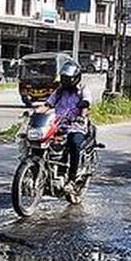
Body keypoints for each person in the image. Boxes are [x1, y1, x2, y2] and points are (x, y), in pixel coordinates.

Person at [38, 61, 91, 193]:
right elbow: (48, 105)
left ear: (76, 77)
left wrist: (82, 114)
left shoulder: (83, 89)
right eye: (64, 78)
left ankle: (72, 180)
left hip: (76, 125)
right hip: (58, 125)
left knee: (74, 143)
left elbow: (86, 103)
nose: (65, 81)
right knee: (41, 141)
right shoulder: (60, 91)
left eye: (68, 79)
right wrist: (35, 113)